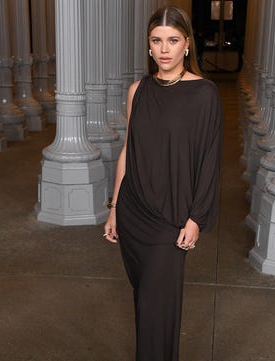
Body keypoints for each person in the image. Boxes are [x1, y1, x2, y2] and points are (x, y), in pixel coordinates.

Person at [104, 5, 222, 361]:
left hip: (171, 218)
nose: (164, 49)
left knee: (158, 308)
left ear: (187, 44)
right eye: (157, 41)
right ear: (149, 46)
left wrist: (196, 218)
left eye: (172, 40)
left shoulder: (205, 94)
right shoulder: (137, 91)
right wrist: (113, 209)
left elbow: (209, 161)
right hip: (133, 210)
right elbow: (128, 150)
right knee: (146, 303)